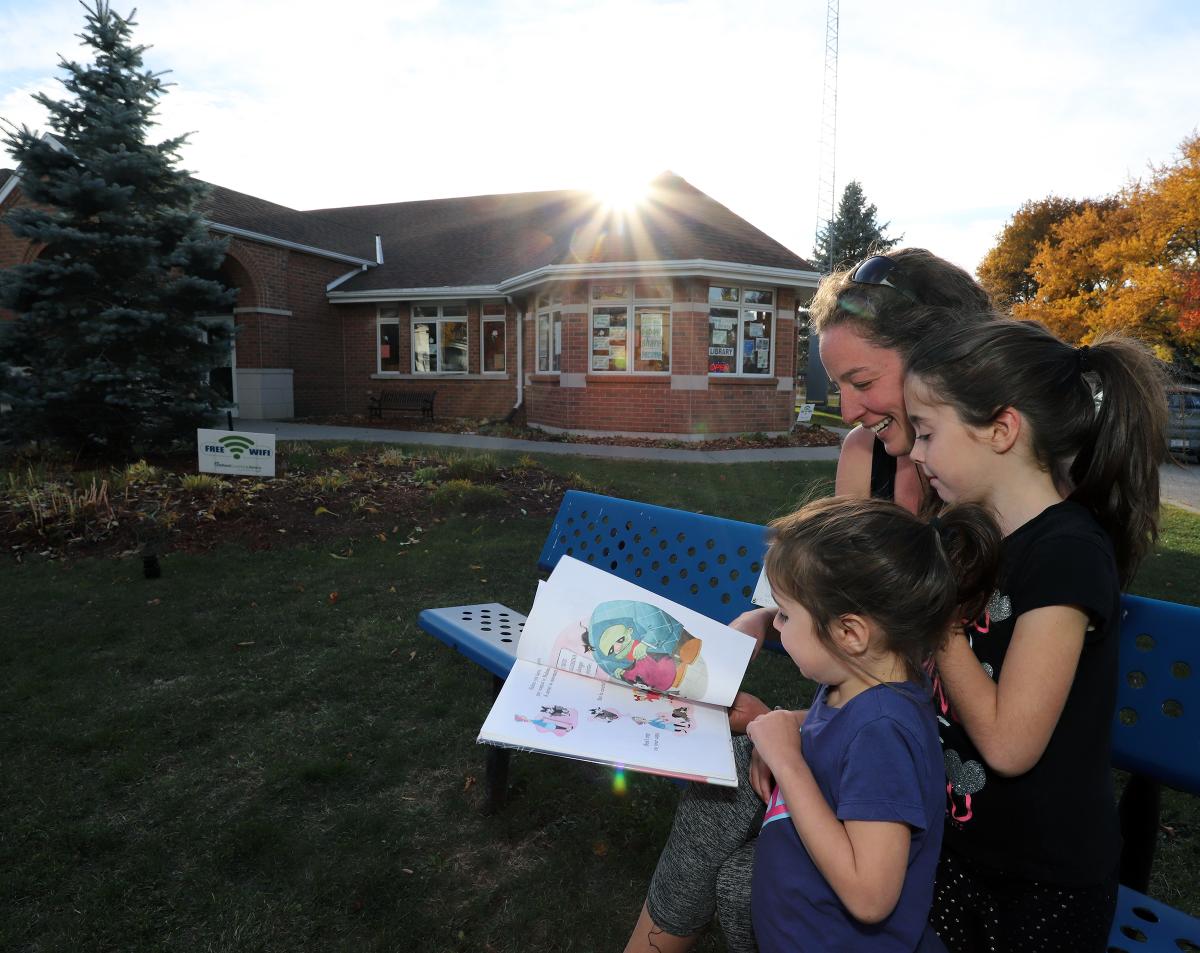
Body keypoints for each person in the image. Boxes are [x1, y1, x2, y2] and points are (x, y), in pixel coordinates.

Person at [624, 249, 994, 953]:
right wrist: (743, 637)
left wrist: (800, 737)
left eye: (861, 381)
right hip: (860, 714)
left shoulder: (991, 474)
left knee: (741, 861)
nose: (848, 407)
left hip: (926, 770)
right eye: (839, 383)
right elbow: (822, 578)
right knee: (728, 776)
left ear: (942, 360)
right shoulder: (869, 451)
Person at [903, 319, 1166, 952]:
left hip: (1043, 887)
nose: (913, 453)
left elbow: (1010, 744)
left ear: (1001, 429)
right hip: (956, 848)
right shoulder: (963, 536)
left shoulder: (1068, 554)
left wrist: (938, 621)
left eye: (927, 433)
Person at [745, 497, 1001, 953]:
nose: (777, 625)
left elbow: (870, 896)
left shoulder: (883, 732)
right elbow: (841, 741)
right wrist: (794, 727)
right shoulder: (855, 686)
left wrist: (788, 763)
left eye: (784, 613)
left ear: (850, 633)